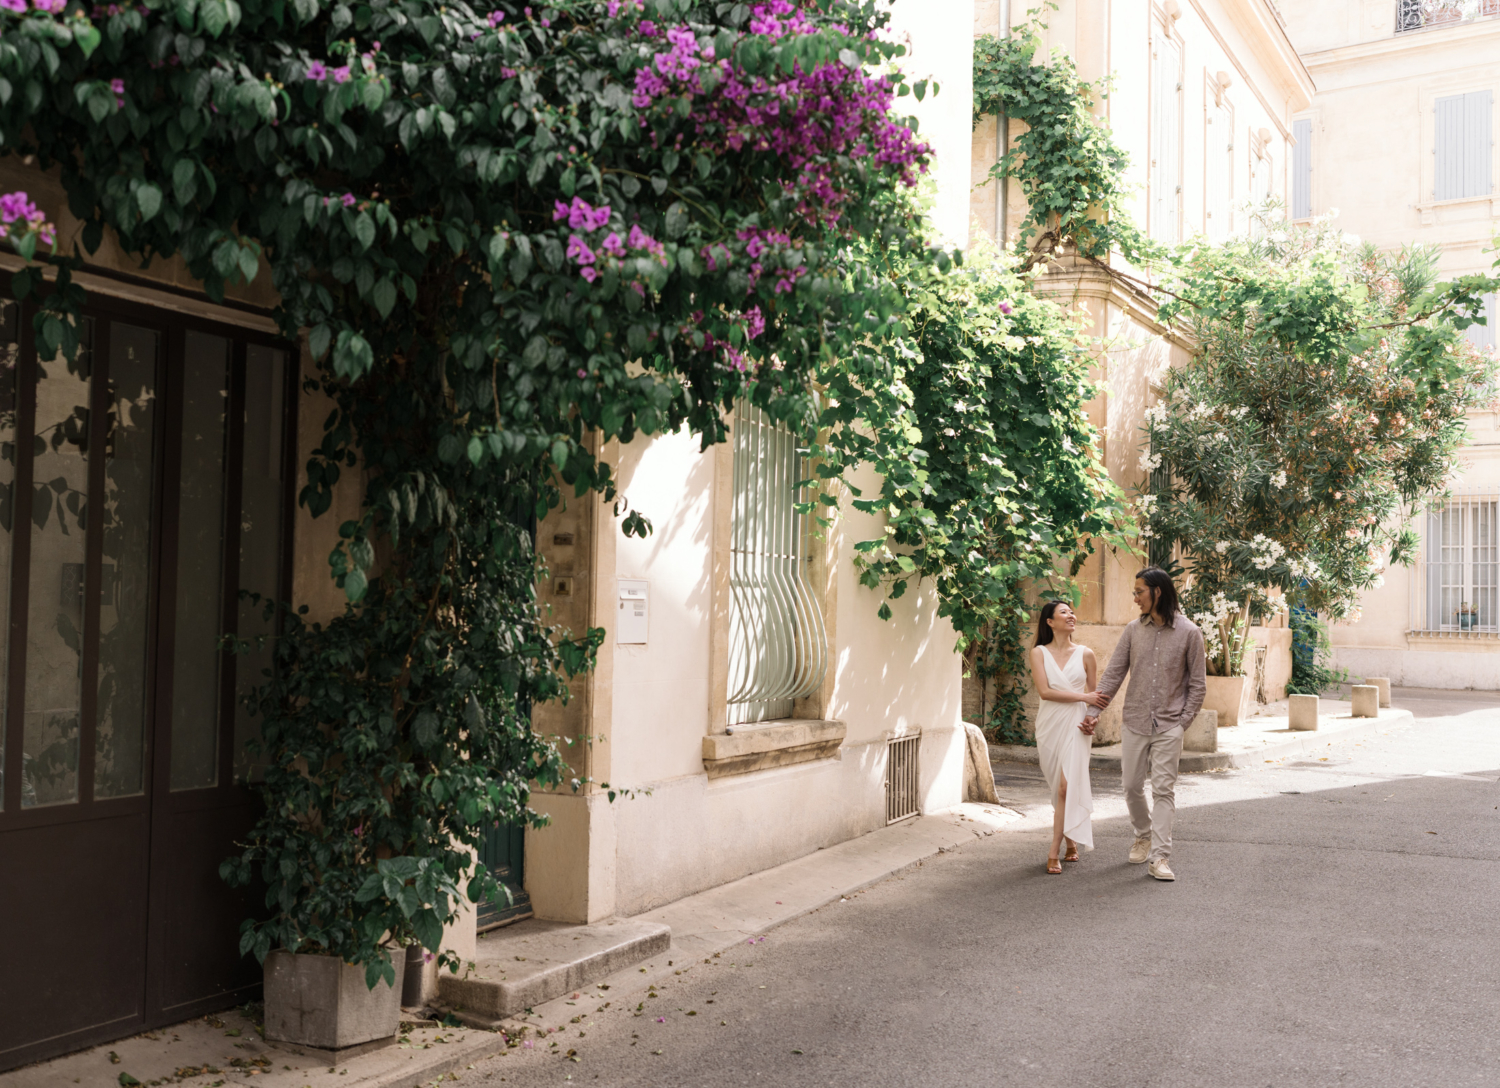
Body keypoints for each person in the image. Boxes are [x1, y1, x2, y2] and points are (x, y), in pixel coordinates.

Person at [1085, 567, 1207, 882]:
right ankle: (1143, 833)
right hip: (1136, 720)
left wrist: (1183, 723)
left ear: (1158, 592)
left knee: (1164, 790)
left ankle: (1160, 857)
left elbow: (1198, 685)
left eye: (1139, 591)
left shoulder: (1190, 632)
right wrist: (1093, 711)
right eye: (1135, 591)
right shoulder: (1132, 630)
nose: (1135, 597)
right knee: (1130, 786)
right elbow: (1114, 673)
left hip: (1170, 724)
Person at [1027, 601, 1107, 875]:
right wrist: (1084, 697)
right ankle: (1072, 840)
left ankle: (1054, 849)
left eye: (1072, 612)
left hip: (1076, 725)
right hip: (1049, 724)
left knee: (1064, 788)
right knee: (1057, 788)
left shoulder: (1086, 654)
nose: (1071, 615)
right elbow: (1045, 692)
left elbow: (1095, 699)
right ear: (1049, 621)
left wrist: (1092, 718)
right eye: (1064, 612)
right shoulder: (1038, 653)